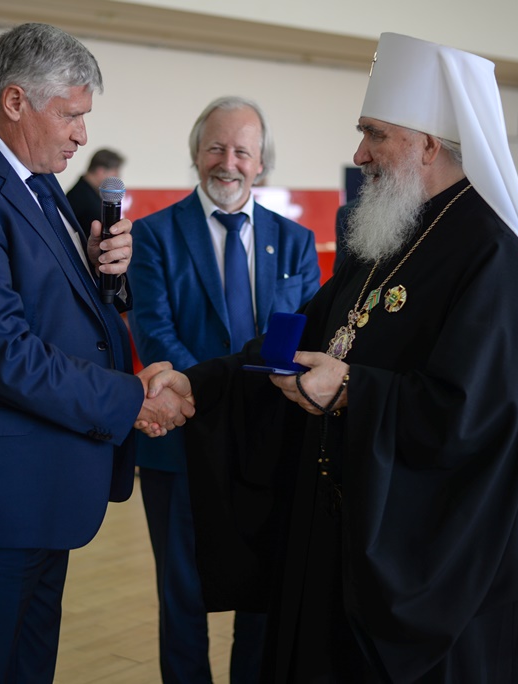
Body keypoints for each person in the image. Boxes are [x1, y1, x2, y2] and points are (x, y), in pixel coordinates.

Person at [142, 32, 518, 683]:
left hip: (427, 563)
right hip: (340, 533)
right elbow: (294, 338)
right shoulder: (384, 232)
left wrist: (352, 390)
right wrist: (198, 385)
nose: (359, 153)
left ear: (428, 144)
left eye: (375, 135)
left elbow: (474, 417)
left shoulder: (491, 258)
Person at [0, 23, 192, 684]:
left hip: (35, 483)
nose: (82, 134)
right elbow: (2, 354)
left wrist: (104, 271)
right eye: (71, 115)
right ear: (16, 101)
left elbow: (56, 307)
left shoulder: (35, 180)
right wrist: (131, 398)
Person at [128, 96, 321, 684]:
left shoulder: (296, 242)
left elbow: (304, 334)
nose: (228, 162)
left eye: (242, 151)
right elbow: (155, 331)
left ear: (261, 163)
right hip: (181, 443)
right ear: (196, 153)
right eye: (216, 147)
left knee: (264, 593)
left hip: (270, 442)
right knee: (182, 595)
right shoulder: (153, 235)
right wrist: (213, 398)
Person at [66, 147, 126, 236]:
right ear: (100, 171)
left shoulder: (83, 192)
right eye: (115, 175)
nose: (117, 178)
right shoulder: (84, 199)